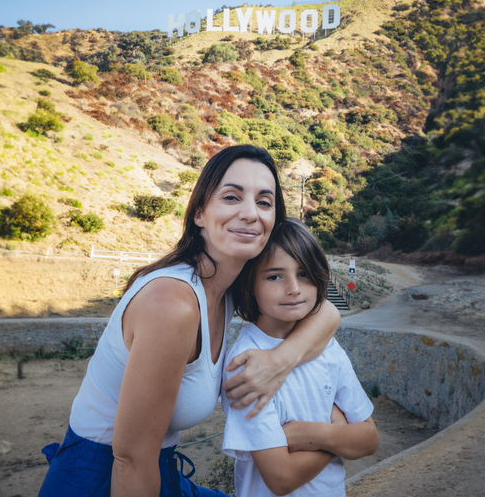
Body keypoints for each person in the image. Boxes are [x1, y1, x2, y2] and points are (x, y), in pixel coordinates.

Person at [38, 145, 340, 497]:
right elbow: (130, 459)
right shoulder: (174, 304)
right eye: (231, 197)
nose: (249, 213)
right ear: (199, 213)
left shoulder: (227, 286)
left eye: (264, 202)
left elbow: (326, 312)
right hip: (104, 479)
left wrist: (279, 361)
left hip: (158, 469)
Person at [222, 217, 379, 497]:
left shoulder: (326, 347)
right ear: (249, 286)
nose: (294, 288)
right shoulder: (246, 365)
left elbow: (369, 439)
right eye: (274, 276)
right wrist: (339, 433)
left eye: (304, 274)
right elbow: (281, 478)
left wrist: (315, 434)